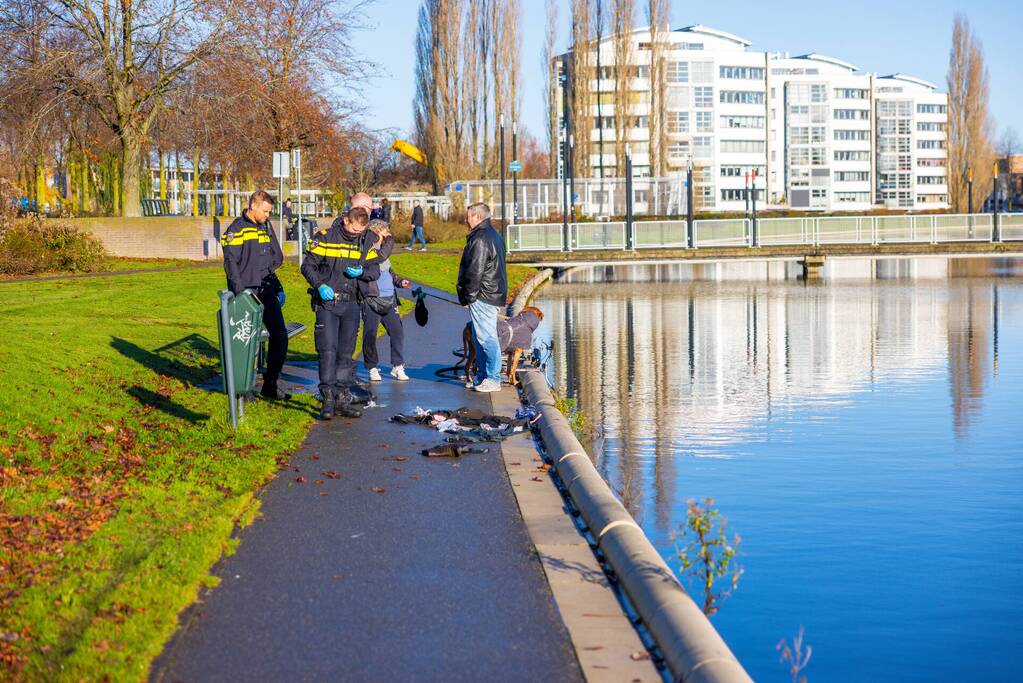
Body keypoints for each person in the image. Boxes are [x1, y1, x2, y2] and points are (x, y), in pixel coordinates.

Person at [301, 206, 392, 419]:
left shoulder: (366, 238)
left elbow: (375, 270)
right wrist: (319, 285)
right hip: (328, 303)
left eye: (360, 231)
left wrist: (363, 272)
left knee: (345, 353)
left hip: (351, 303)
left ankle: (342, 398)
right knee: (328, 351)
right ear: (346, 221)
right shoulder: (325, 238)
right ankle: (327, 400)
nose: (356, 234)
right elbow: (307, 266)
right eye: (353, 229)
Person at [221, 189, 290, 400]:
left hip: (266, 288)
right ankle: (243, 387)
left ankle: (270, 383)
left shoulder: (264, 227)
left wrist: (277, 286)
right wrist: (239, 293)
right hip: (246, 292)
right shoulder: (236, 230)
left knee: (280, 335)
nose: (268, 215)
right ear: (253, 206)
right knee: (246, 340)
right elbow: (231, 264)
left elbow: (271, 259)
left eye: (269, 211)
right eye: (265, 211)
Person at [456, 202, 507, 393]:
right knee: (479, 337)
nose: (466, 219)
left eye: (469, 215)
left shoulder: (480, 239)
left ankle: (493, 378)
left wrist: (468, 296)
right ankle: (483, 376)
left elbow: (475, 271)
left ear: (478, 217)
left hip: (483, 295)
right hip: (490, 292)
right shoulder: (493, 235)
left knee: (486, 337)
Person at [360, 220, 411, 383]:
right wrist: (388, 240)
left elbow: (389, 272)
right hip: (372, 299)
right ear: (376, 232)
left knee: (397, 331)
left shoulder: (384, 253)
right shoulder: (368, 251)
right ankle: (372, 368)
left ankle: (398, 366)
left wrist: (399, 281)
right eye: (384, 230)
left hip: (389, 300)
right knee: (370, 334)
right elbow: (379, 260)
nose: (388, 233)